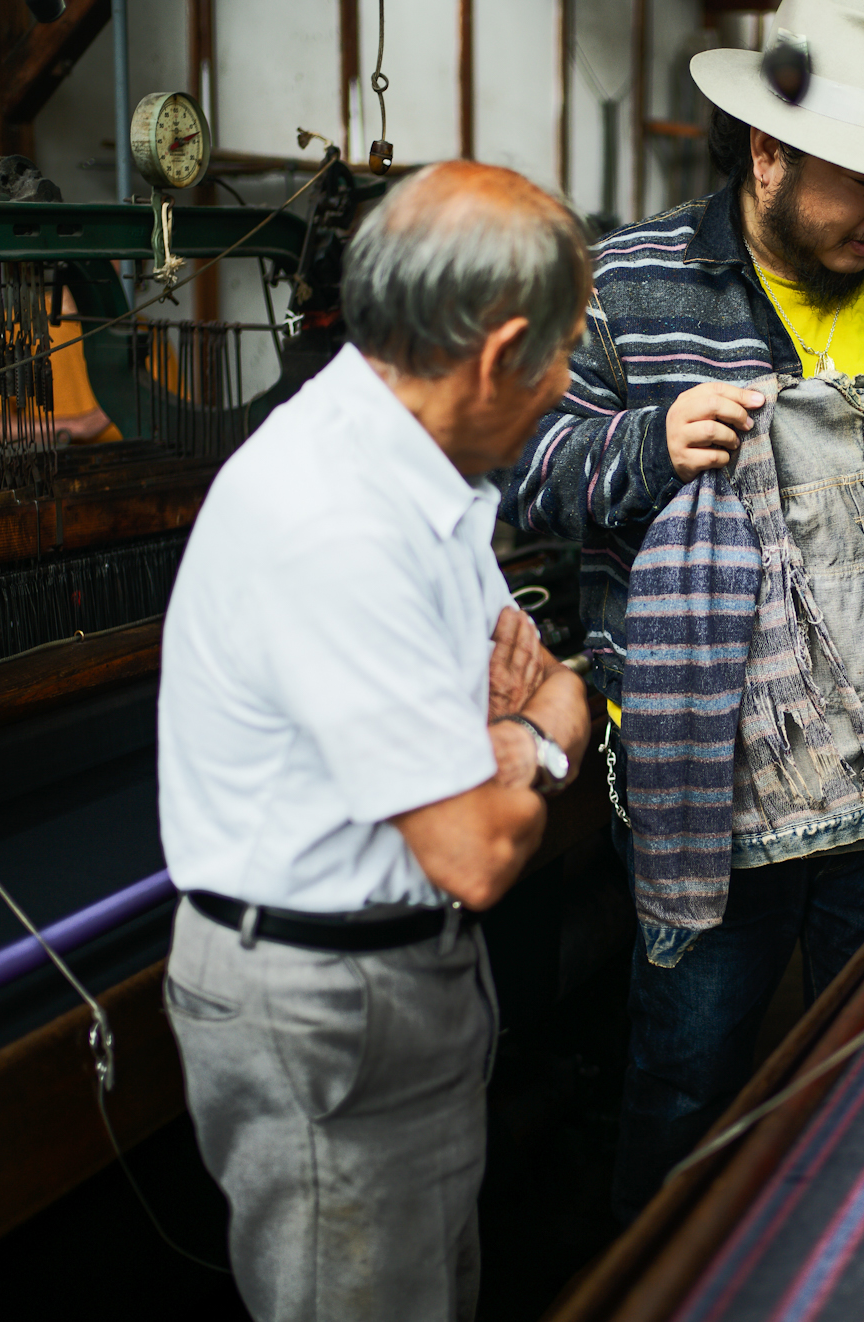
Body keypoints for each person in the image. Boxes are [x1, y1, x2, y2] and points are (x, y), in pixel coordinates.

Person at [503, 0, 864, 1219]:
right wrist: (647, 442)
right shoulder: (625, 289)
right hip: (709, 786)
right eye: (862, 179)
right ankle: (659, 1278)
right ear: (766, 153)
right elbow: (524, 458)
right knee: (688, 1081)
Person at [155, 160, 592, 1321]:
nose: (561, 386)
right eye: (558, 356)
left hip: (399, 978)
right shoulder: (336, 518)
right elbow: (478, 847)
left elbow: (547, 687)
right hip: (327, 1010)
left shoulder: (416, 477)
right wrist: (535, 742)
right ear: (501, 353)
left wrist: (513, 736)